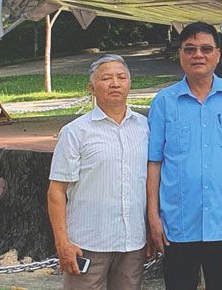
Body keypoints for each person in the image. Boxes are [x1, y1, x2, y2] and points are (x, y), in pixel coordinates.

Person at [147, 22, 222, 290]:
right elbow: (154, 162)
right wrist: (153, 215)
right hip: (177, 222)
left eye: (206, 49)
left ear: (218, 55)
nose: (199, 55)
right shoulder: (164, 101)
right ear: (181, 55)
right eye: (191, 49)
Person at [47, 54, 151, 290]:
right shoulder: (76, 132)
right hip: (87, 243)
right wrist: (62, 242)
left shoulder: (145, 127)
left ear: (129, 84)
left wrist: (151, 231)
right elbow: (56, 191)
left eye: (121, 77)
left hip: (132, 242)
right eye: (106, 78)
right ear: (92, 88)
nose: (115, 83)